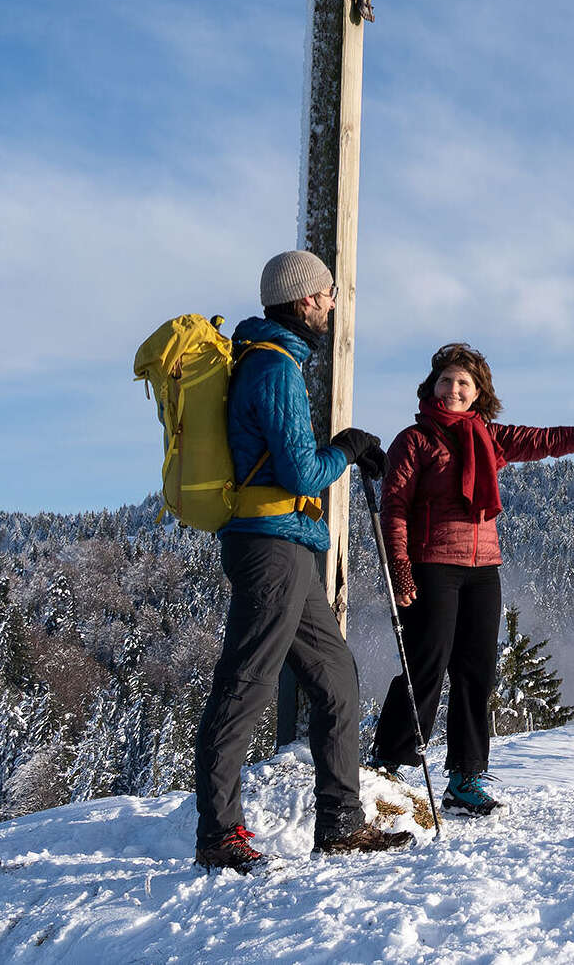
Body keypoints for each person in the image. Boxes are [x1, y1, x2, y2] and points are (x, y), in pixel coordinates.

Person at [193, 250, 411, 872]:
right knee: (247, 681)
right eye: (329, 294)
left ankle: (340, 822)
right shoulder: (275, 369)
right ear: (305, 300)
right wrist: (346, 449)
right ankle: (218, 832)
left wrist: (340, 450)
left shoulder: (264, 361)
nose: (334, 304)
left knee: (336, 679)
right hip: (272, 548)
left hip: (284, 544)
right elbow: (303, 472)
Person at [369, 341, 574, 816]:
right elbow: (394, 508)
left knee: (476, 672)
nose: (453, 389)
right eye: (445, 381)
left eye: (463, 383)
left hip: (484, 570)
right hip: (432, 563)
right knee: (426, 665)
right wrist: (398, 566)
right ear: (431, 386)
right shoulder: (414, 440)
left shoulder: (490, 438)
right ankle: (389, 766)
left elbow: (553, 440)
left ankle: (465, 777)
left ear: (478, 393)